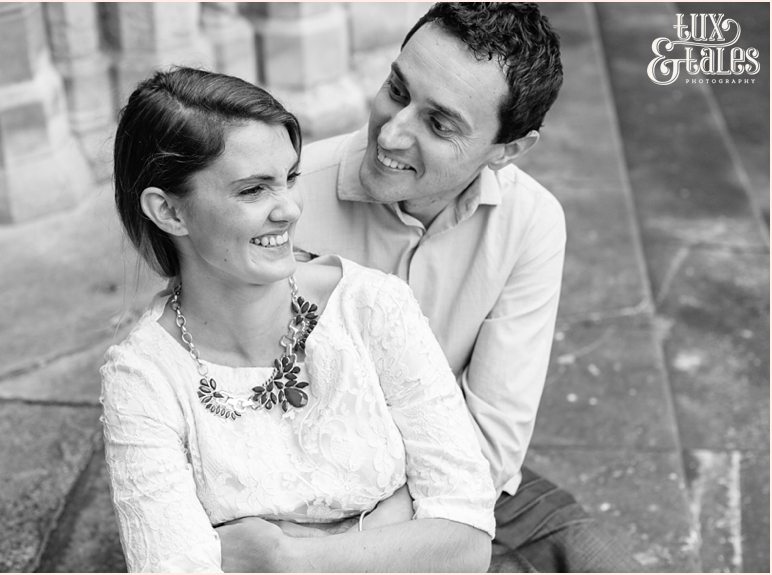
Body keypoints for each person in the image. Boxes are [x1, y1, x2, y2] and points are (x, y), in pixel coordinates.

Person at [276, 2, 639, 572]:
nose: (392, 133)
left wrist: (401, 537)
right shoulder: (284, 203)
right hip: (306, 498)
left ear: (507, 151)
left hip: (457, 478)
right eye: (397, 90)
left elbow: (492, 442)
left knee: (603, 562)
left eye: (439, 124)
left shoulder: (530, 222)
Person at [101, 66, 498, 573]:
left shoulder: (371, 307)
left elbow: (466, 543)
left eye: (289, 177)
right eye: (252, 190)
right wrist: (389, 531)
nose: (289, 208)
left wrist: (281, 558)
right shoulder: (143, 379)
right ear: (170, 213)